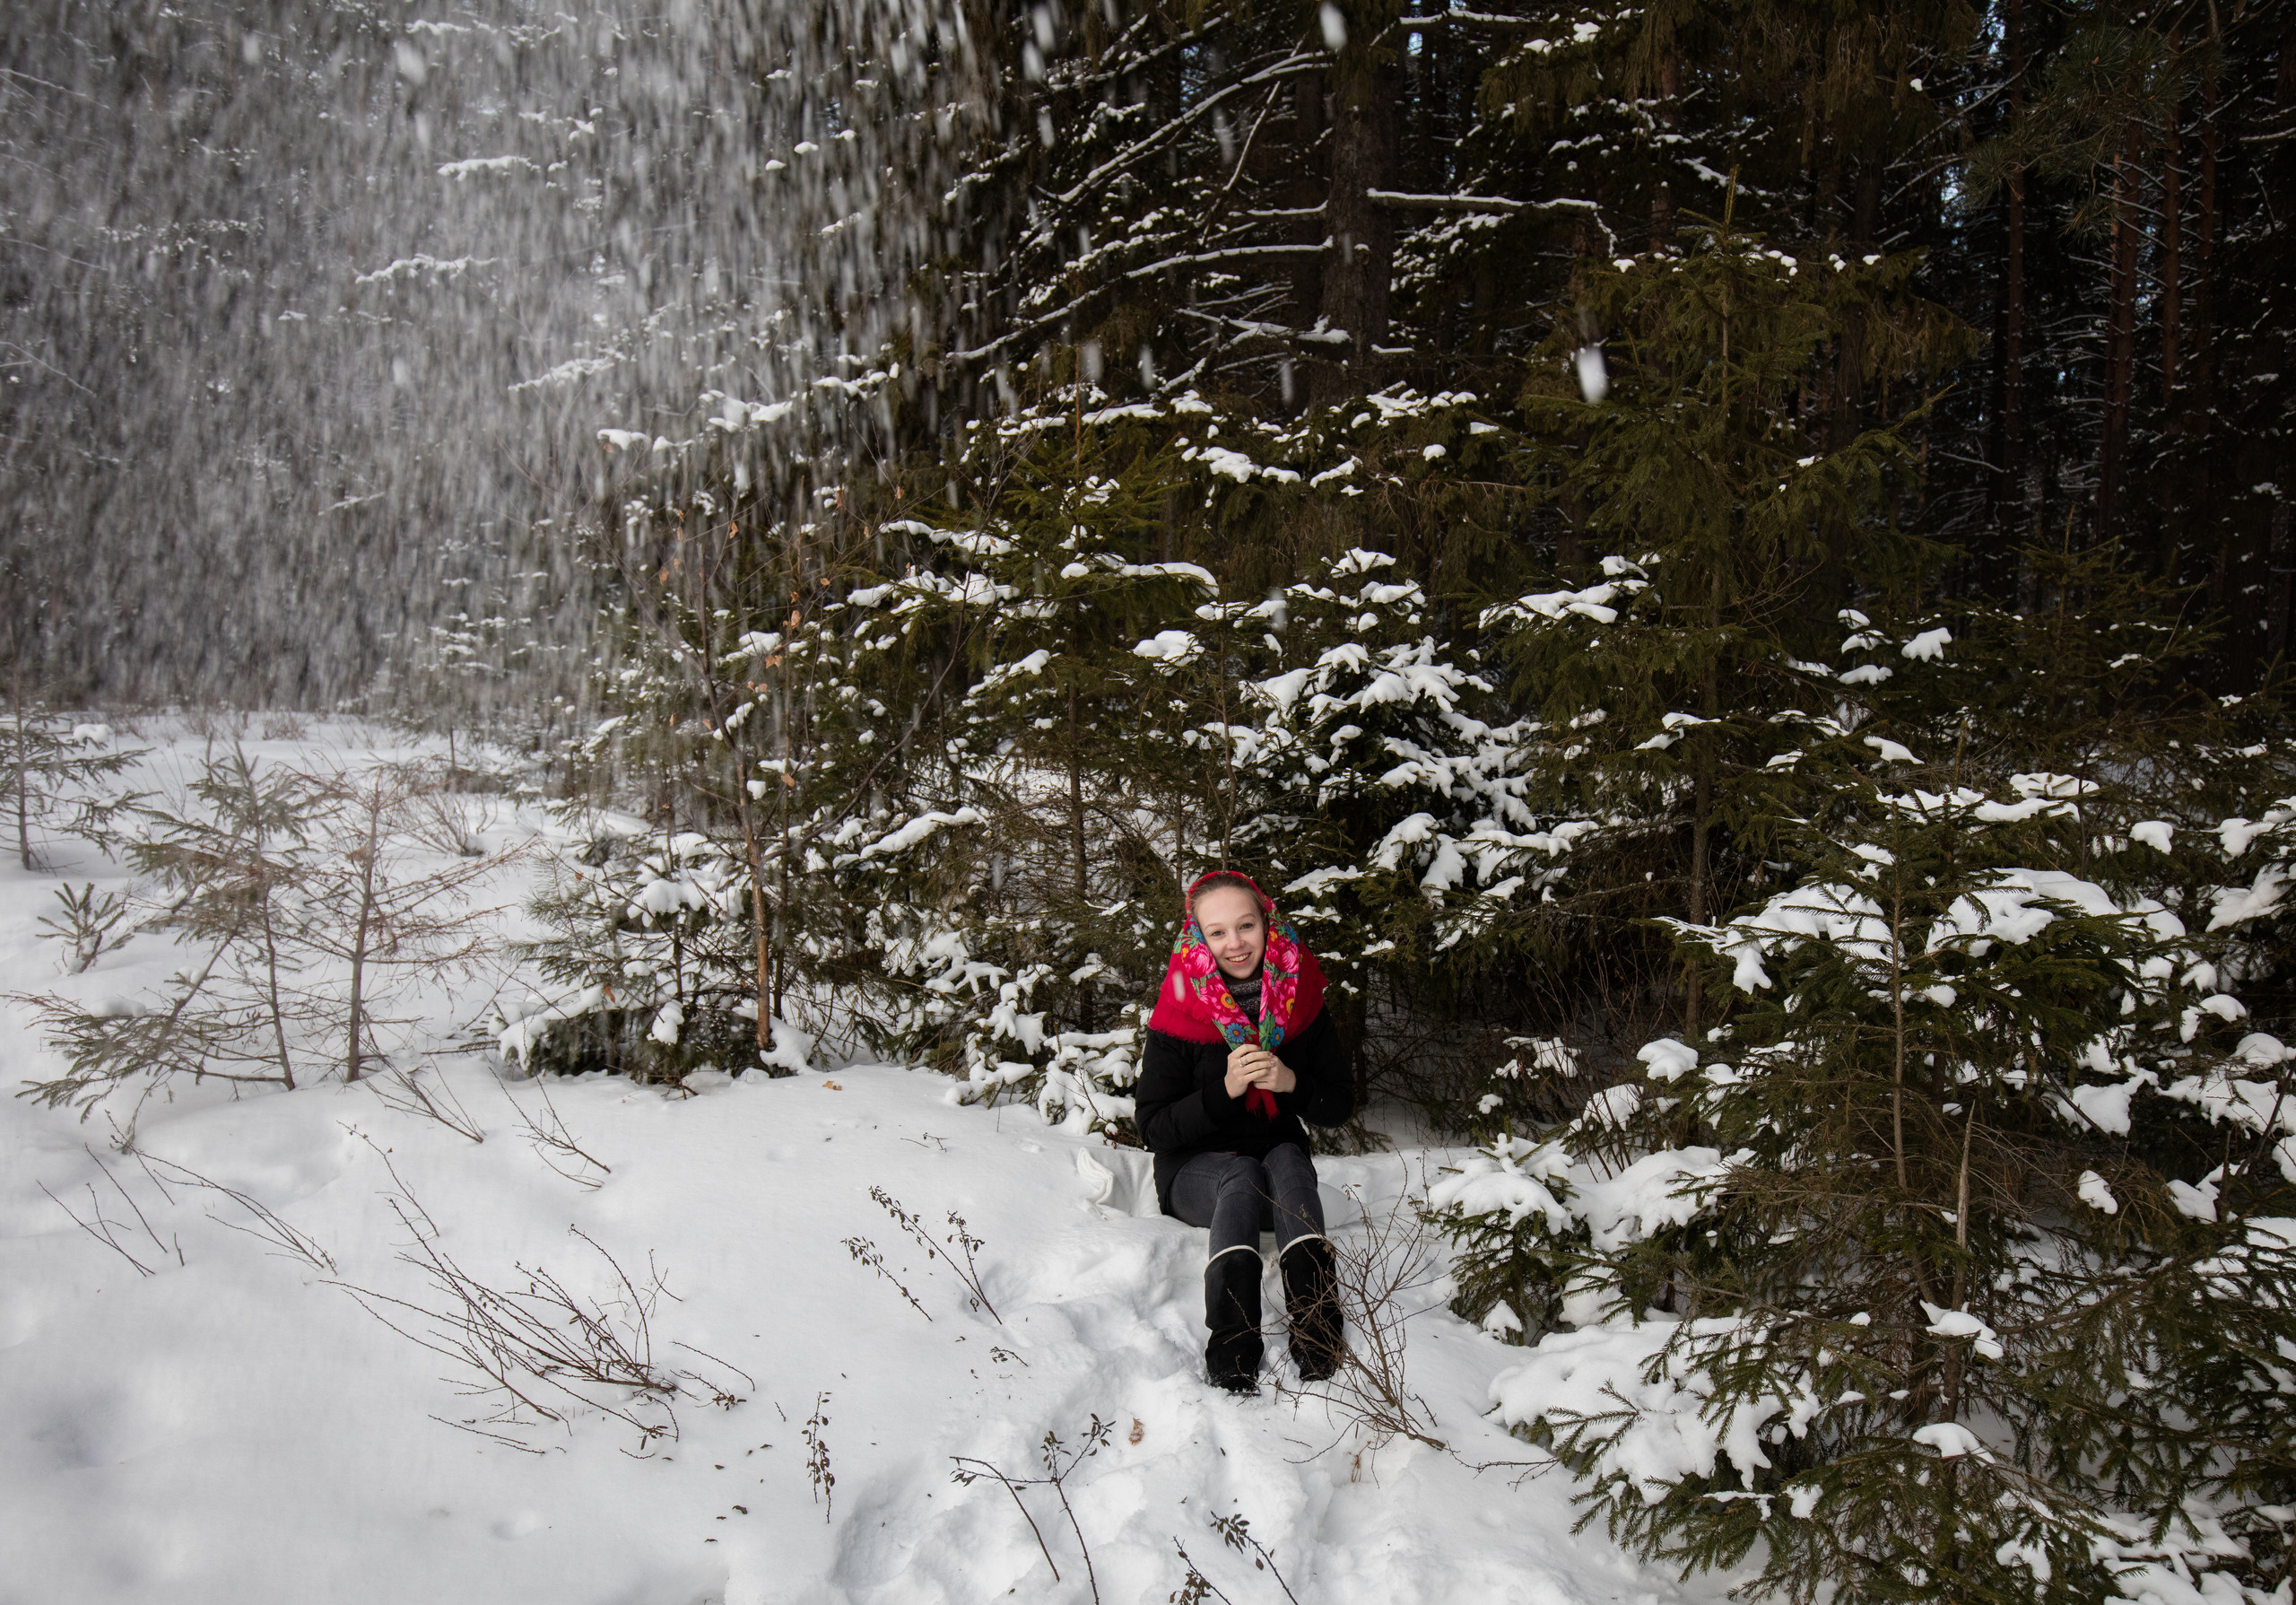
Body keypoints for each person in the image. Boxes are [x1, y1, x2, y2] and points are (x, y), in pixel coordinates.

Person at [1134, 870, 1355, 1393]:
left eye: (1246, 926)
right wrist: (1224, 1090)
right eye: (1218, 932)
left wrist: (1290, 1083)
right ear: (1198, 939)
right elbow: (1153, 1128)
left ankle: (1318, 1331)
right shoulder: (1177, 1012)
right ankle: (1233, 1346)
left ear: (1267, 925)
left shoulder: (1301, 1004)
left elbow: (1339, 1104)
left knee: (1288, 1161)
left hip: (1277, 1173)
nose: (1235, 944)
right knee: (1240, 1172)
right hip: (1194, 1175)